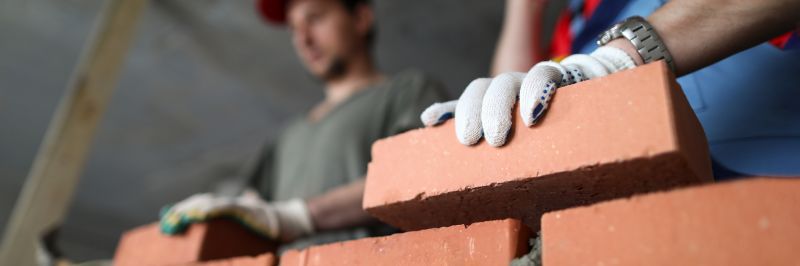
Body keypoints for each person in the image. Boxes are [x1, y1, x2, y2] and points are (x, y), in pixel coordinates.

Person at [160, 0, 449, 249]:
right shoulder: (287, 137)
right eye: (294, 29)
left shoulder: (407, 91)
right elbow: (251, 207)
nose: (304, 39)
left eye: (315, 18)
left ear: (361, 18)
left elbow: (418, 176)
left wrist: (300, 216)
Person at [421, 0, 800, 179]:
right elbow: (519, 96)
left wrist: (622, 56)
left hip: (767, 185)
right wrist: (523, 10)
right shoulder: (578, 21)